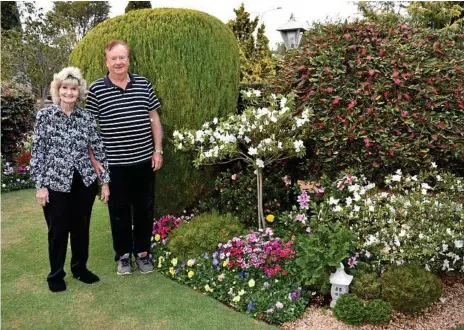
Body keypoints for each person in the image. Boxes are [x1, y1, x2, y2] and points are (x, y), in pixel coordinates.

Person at [86, 40, 163, 275]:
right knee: (118, 213)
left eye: (122, 57)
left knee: (143, 209)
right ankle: (123, 256)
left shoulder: (143, 84)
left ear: (128, 59)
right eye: (114, 58)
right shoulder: (96, 89)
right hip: (115, 165)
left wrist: (157, 149)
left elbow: (154, 118)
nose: (118, 62)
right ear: (106, 62)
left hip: (143, 161)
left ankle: (142, 253)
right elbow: (89, 131)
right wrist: (99, 167)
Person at [30, 67, 110, 292]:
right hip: (55, 183)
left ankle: (80, 268)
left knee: (81, 228)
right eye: (64, 88)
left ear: (79, 92)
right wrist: (41, 186)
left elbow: (98, 149)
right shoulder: (45, 116)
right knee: (57, 230)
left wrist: (104, 181)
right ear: (57, 89)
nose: (69, 92)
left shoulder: (86, 117)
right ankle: (55, 274)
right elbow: (39, 152)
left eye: (73, 89)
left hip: (83, 182)